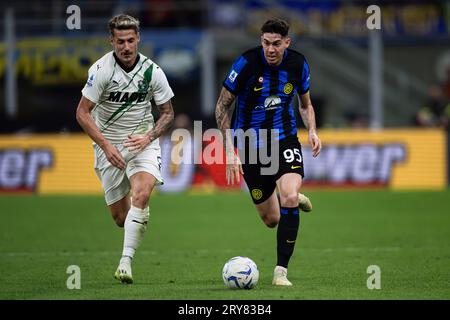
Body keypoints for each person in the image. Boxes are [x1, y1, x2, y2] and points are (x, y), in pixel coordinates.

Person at [215, 18, 321, 286]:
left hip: (284, 140)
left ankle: (280, 271)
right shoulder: (246, 63)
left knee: (288, 194)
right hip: (250, 145)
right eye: (265, 43)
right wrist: (230, 150)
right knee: (272, 219)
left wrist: (312, 131)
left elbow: (305, 104)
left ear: (287, 43)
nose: (270, 49)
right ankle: (292, 199)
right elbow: (221, 107)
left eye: (276, 44)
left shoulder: (298, 64)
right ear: (260, 41)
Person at [76, 14, 175, 284]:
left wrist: (150, 136)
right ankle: (137, 216)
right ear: (112, 41)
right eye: (120, 41)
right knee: (122, 218)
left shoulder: (152, 71)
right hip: (109, 145)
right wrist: (106, 146)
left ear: (138, 39)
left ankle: (125, 262)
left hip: (142, 141)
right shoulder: (101, 71)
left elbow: (167, 113)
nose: (126, 47)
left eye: (131, 40)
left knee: (141, 194)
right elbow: (82, 113)